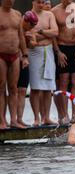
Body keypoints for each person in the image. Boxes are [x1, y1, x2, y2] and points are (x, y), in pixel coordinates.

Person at [52, 0, 75, 125]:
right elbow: (53, 35)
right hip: (63, 48)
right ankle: (64, 114)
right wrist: (58, 52)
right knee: (64, 80)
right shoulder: (55, 11)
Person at [29, 0, 59, 127]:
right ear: (33, 2)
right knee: (35, 87)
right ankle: (36, 118)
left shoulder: (49, 15)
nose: (41, 5)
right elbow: (28, 35)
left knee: (48, 87)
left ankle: (46, 117)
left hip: (48, 51)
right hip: (34, 52)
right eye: (39, 2)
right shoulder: (28, 15)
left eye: (43, 2)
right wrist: (46, 33)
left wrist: (40, 32)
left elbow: (55, 32)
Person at [0, 0, 29, 130]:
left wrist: (25, 55)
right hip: (1, 54)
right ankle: (2, 121)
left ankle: (13, 120)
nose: (10, 1)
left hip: (15, 55)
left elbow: (21, 36)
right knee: (1, 87)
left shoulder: (17, 14)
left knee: (13, 88)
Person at [17, 11, 39, 128]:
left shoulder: (30, 31)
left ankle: (19, 119)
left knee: (22, 90)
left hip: (24, 61)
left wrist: (31, 40)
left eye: (34, 25)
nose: (32, 27)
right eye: (31, 25)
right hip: (14, 60)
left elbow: (33, 45)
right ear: (25, 20)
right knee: (9, 91)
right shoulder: (15, 26)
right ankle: (7, 120)